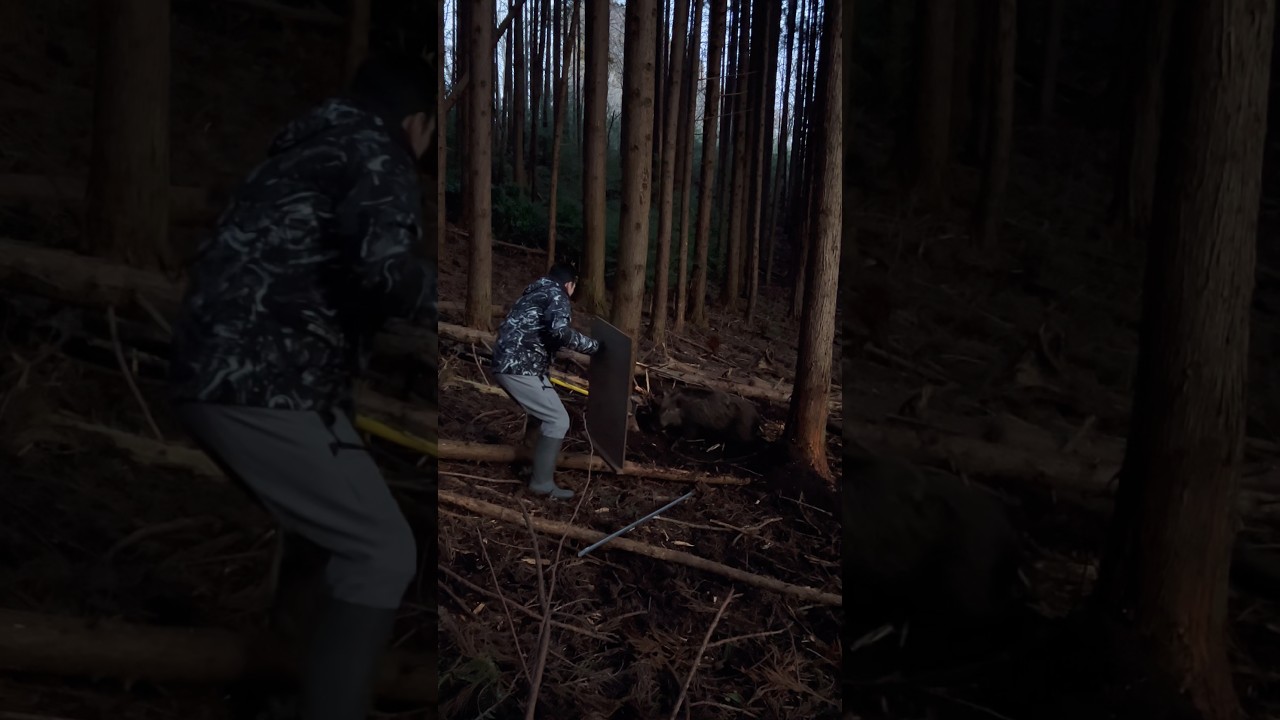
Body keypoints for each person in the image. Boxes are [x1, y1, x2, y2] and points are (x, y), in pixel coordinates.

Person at [167, 52, 436, 720]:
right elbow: (381, 269)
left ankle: (280, 697)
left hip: (216, 365)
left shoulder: (307, 143)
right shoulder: (379, 152)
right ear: (417, 122)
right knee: (381, 549)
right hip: (266, 381)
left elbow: (321, 269)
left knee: (324, 540)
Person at [491, 263, 601, 500]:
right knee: (558, 419)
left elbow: (537, 333)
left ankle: (528, 465)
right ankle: (541, 484)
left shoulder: (534, 293)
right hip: (520, 367)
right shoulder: (557, 295)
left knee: (540, 415)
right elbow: (559, 332)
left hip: (506, 362)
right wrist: (594, 347)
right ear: (570, 285)